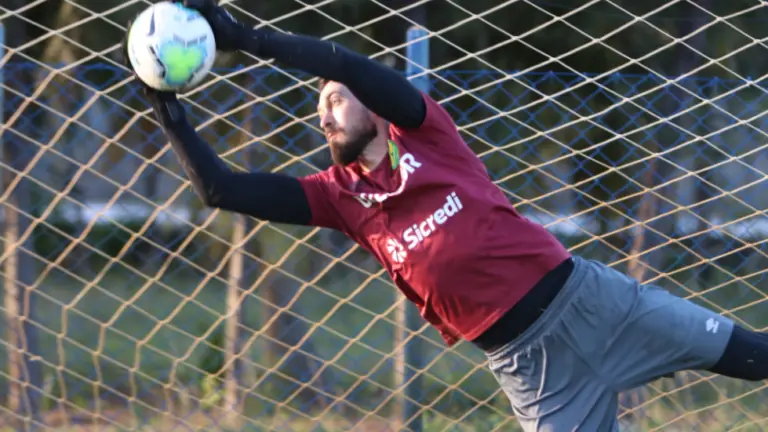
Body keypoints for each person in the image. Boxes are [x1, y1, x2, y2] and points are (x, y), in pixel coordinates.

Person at [121, 1, 768, 430]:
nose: (324, 111)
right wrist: (165, 106)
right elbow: (221, 190)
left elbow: (347, 64)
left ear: (374, 108)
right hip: (533, 370)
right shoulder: (336, 197)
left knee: (755, 357)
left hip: (596, 303)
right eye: (319, 107)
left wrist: (244, 37)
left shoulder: (427, 133)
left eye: (336, 100)